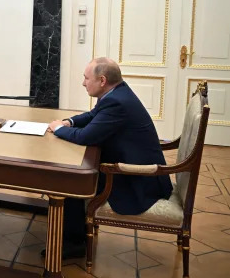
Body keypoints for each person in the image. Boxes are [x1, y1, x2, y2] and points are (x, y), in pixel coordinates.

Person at [46, 57, 172, 258]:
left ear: (102, 80)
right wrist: (69, 122)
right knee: (73, 172)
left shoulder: (117, 102)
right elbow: (93, 115)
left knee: (69, 179)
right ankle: (66, 226)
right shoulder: (117, 92)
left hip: (137, 179)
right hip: (129, 163)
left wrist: (58, 129)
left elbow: (86, 136)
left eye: (86, 78)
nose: (83, 83)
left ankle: (74, 242)